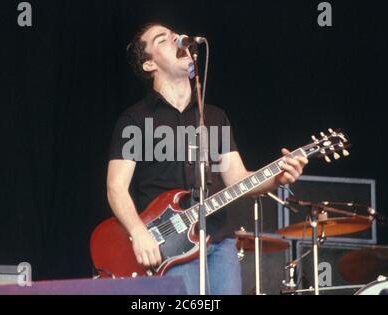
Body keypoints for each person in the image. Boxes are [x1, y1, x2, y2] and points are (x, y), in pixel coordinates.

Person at [107, 23, 308, 295]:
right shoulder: (135, 120)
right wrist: (139, 232)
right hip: (168, 243)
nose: (177, 39)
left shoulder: (214, 117)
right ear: (148, 65)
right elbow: (116, 188)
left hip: (219, 239)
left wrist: (278, 177)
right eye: (163, 39)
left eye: (175, 34)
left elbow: (238, 179)